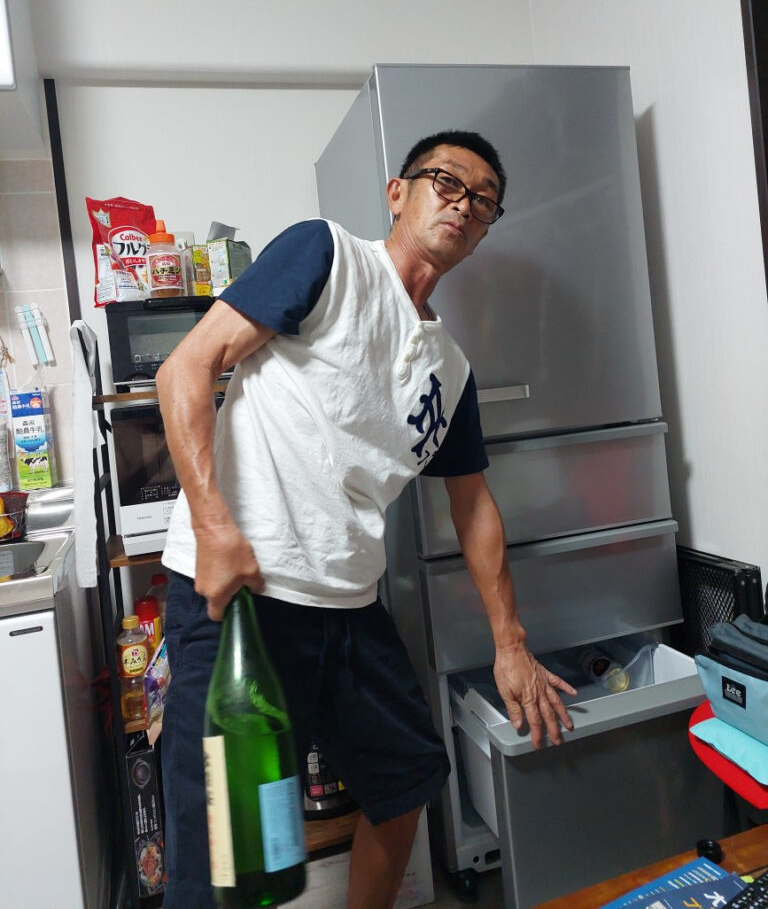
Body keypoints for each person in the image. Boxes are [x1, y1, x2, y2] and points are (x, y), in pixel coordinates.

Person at [156, 129, 577, 909]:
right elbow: (187, 365)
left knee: (409, 779)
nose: (463, 204)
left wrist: (510, 642)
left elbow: (472, 504)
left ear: (485, 230)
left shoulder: (451, 370)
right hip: (243, 595)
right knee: (229, 857)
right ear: (397, 192)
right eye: (447, 182)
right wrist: (213, 528)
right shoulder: (327, 256)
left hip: (349, 606)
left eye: (483, 200)